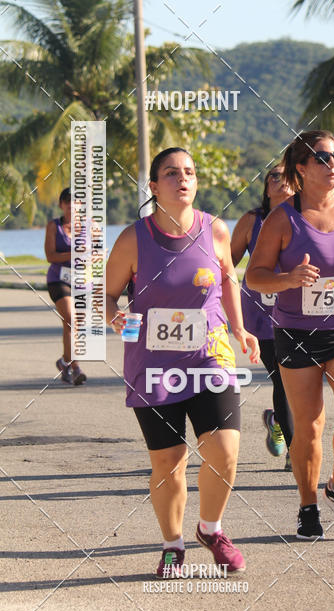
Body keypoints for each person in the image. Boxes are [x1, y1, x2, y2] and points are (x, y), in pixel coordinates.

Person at [105, 148, 259, 577]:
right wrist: (115, 316)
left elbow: (228, 281)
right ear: (154, 187)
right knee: (169, 463)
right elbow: (106, 295)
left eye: (189, 172)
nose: (182, 179)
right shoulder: (134, 239)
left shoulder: (217, 231)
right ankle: (173, 544)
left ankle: (211, 529)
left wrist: (240, 328)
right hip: (153, 365)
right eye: (171, 173)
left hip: (210, 357)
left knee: (225, 451)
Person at [246, 130, 334, 540]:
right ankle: (307, 504)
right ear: (302, 168)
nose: (333, 165)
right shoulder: (281, 219)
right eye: (323, 158)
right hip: (296, 332)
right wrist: (288, 278)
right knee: (308, 426)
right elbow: (255, 277)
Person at [231, 165, 294, 470]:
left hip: (300, 314)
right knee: (284, 382)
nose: (282, 183)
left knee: (297, 383)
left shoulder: (307, 216)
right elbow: (225, 264)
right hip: (261, 317)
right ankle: (296, 452)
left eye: (288, 177)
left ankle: (276, 420)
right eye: (275, 178)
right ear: (266, 187)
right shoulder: (251, 222)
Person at [45, 188, 86, 385]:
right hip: (58, 279)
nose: (72, 208)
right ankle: (74, 366)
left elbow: (97, 255)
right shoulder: (54, 226)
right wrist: (74, 254)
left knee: (73, 325)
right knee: (70, 319)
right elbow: (50, 256)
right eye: (68, 204)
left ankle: (65, 362)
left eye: (76, 204)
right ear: (61, 205)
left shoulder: (90, 226)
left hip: (82, 281)